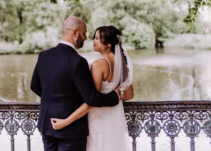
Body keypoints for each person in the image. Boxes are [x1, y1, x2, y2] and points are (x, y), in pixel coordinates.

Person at [30, 17, 121, 151]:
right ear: (75, 33)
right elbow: (91, 98)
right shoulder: (78, 62)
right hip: (71, 130)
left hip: (47, 125)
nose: (85, 38)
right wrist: (115, 96)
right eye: (84, 33)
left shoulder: (44, 55)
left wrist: (53, 100)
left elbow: (35, 86)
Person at [50, 25, 134, 151]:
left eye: (97, 39)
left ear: (108, 44)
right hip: (114, 116)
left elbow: (91, 101)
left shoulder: (99, 65)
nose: (93, 41)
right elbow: (129, 95)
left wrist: (66, 122)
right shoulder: (122, 64)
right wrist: (115, 95)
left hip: (98, 119)